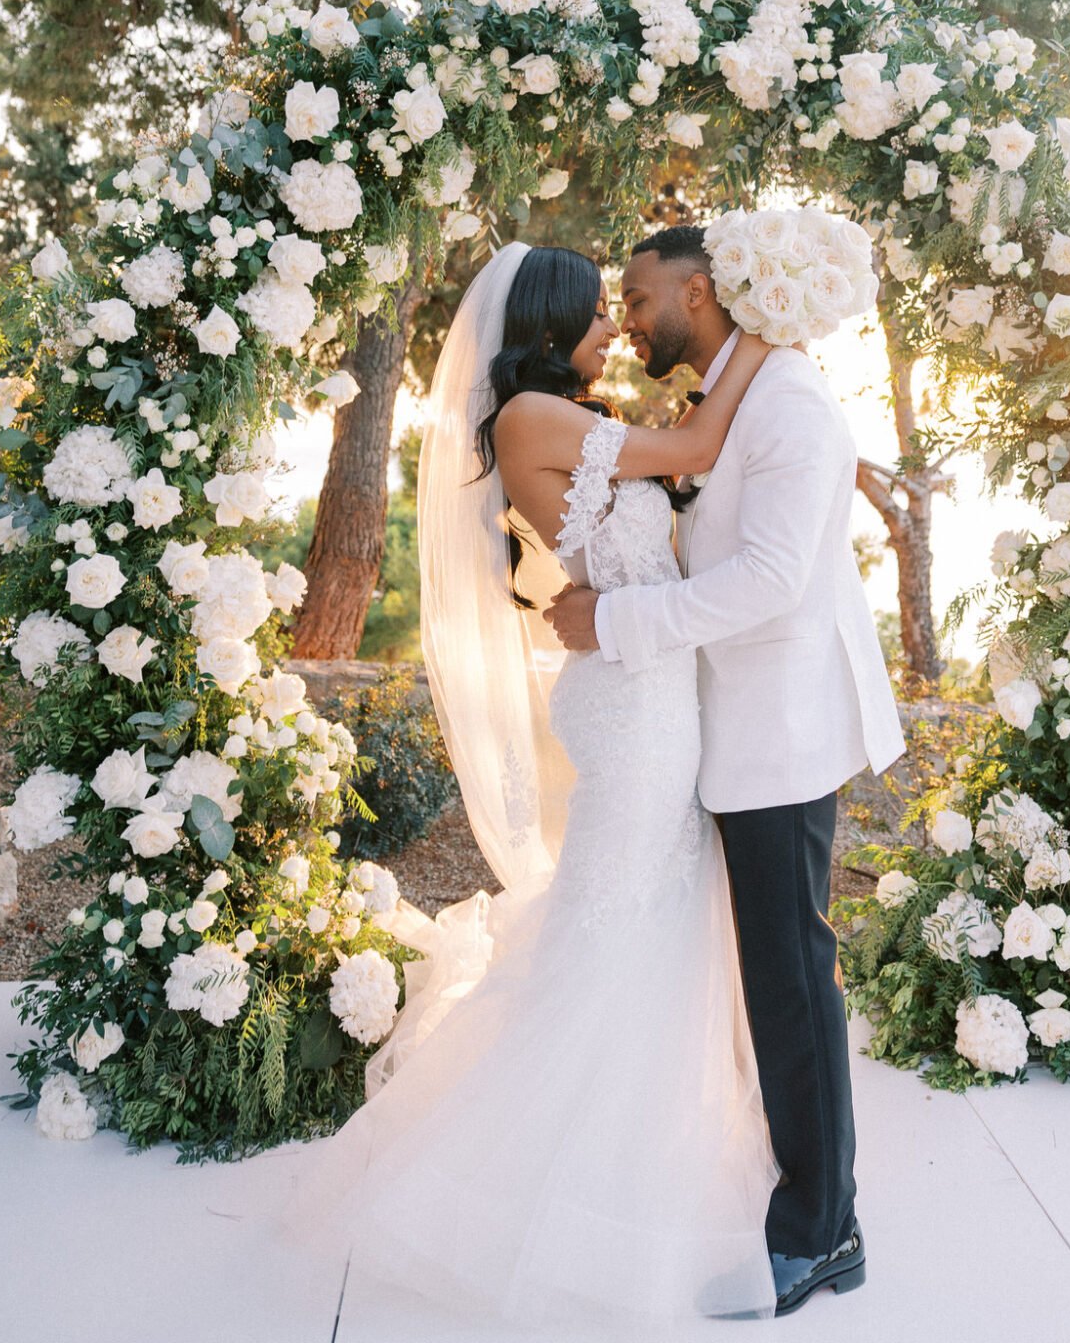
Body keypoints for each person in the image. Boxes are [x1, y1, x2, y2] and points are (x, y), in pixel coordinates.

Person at [279, 241, 783, 1328]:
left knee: (641, 932)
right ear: (547, 327)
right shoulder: (531, 419)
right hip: (637, 710)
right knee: (611, 938)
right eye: (596, 315)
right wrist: (772, 332)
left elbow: (679, 475)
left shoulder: (570, 420)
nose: (614, 331)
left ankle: (626, 1161)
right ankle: (561, 1193)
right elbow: (699, 437)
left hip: (649, 691)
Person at [547, 224, 905, 1318]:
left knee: (792, 982)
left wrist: (611, 620)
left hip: (782, 723)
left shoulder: (791, 402)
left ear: (696, 293)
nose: (629, 312)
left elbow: (767, 581)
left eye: (639, 294)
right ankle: (783, 1188)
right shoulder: (734, 394)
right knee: (764, 980)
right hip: (726, 722)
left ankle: (821, 1232)